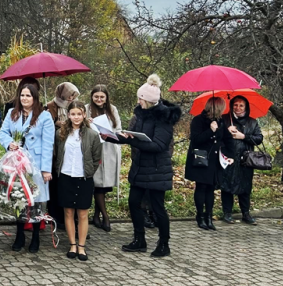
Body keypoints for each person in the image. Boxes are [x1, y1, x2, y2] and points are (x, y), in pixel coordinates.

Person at [112, 74, 181, 258]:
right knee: (134, 203)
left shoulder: (164, 118)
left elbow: (158, 145)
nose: (138, 101)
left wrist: (134, 142)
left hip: (158, 170)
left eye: (140, 98)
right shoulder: (140, 115)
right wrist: (112, 137)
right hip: (140, 168)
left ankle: (164, 243)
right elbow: (133, 136)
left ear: (149, 101)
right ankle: (139, 240)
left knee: (157, 208)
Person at [0, 82, 55, 254]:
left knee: (36, 201)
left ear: (35, 97)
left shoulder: (44, 116)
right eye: (22, 95)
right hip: (18, 164)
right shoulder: (12, 113)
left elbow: (48, 144)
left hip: (36, 164)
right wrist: (9, 144)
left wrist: (46, 170)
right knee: (20, 199)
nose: (24, 98)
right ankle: (20, 235)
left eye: (28, 95)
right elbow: (2, 132)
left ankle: (36, 236)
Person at [54, 100, 102, 261]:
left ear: (84, 115)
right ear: (68, 115)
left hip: (83, 177)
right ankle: (72, 244)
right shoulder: (61, 133)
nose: (76, 117)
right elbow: (56, 154)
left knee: (82, 213)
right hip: (66, 176)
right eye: (73, 114)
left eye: (79, 114)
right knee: (68, 212)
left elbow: (97, 158)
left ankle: (81, 246)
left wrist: (89, 172)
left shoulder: (93, 135)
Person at [219, 95, 264, 225]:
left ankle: (246, 213)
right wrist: (227, 131)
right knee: (227, 185)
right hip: (228, 157)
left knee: (245, 186)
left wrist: (243, 136)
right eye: (235, 105)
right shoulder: (224, 120)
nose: (238, 108)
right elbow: (217, 137)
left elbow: (259, 138)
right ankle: (227, 213)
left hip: (246, 159)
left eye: (241, 105)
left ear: (246, 107)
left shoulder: (252, 122)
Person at [184, 97, 226, 230]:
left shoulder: (221, 121)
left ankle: (209, 216)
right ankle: (200, 216)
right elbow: (196, 139)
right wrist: (210, 131)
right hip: (201, 159)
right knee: (201, 187)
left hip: (214, 160)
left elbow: (224, 139)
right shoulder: (198, 120)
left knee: (210, 188)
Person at [85, 84, 122, 232]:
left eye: (102, 97)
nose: (99, 99)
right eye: (96, 97)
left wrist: (112, 135)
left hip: (110, 149)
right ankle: (106, 217)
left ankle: (96, 216)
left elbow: (118, 128)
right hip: (95, 149)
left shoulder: (112, 109)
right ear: (92, 97)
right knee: (97, 185)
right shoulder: (87, 109)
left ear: (106, 97)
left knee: (105, 187)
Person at [45, 82, 80, 229]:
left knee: (66, 186)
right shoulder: (50, 107)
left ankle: (70, 219)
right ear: (62, 93)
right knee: (54, 186)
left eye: (74, 95)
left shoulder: (73, 106)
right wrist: (55, 123)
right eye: (69, 94)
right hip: (53, 150)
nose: (72, 97)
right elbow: (44, 126)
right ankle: (55, 218)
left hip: (69, 150)